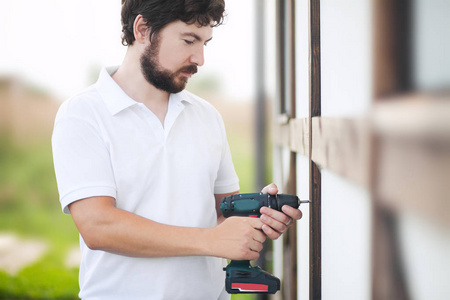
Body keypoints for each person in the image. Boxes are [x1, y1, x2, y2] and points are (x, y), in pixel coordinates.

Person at [52, 0, 302, 299]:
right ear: (143, 29)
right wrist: (210, 240)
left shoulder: (207, 116)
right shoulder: (83, 114)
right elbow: (98, 226)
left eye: (205, 43)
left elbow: (224, 214)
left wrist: (259, 218)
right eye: (189, 40)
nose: (200, 58)